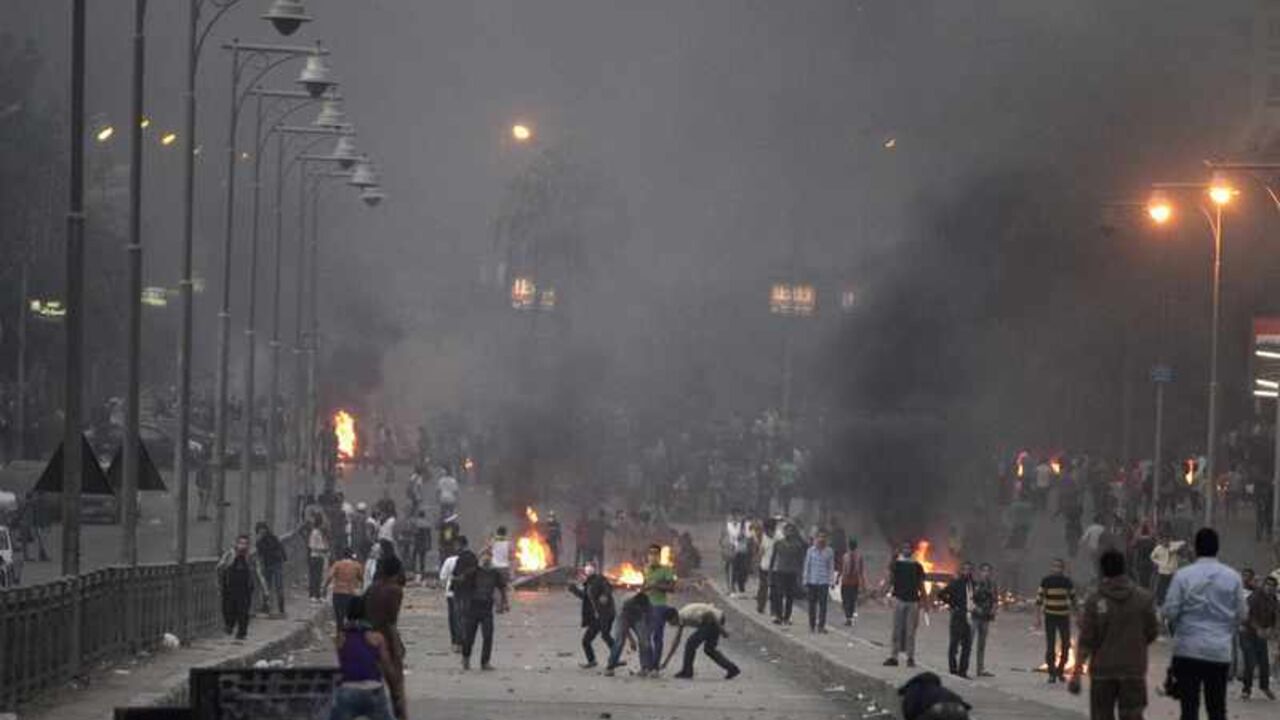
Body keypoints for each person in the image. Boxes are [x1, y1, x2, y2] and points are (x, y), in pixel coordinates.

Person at [1162, 527, 1248, 720]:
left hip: (1188, 650)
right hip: (1219, 651)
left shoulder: (1183, 575)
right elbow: (1242, 614)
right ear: (1217, 549)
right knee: (1217, 707)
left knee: (1189, 707)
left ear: (1195, 548)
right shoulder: (1232, 576)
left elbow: (1170, 611)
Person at [1068, 550, 1159, 720]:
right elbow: (1152, 632)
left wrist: (1076, 673)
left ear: (1102, 571)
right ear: (1125, 568)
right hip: (1134, 670)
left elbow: (1087, 640)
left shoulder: (1094, 601)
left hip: (1103, 671)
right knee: (1133, 715)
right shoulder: (1143, 599)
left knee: (1101, 715)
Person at [328, 595, 397, 720]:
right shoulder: (376, 638)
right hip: (373, 690)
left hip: (348, 690)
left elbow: (341, 664)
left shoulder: (340, 638)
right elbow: (387, 667)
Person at [366, 556, 407, 719]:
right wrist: (398, 647)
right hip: (385, 639)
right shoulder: (395, 591)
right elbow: (391, 621)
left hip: (368, 638)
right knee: (396, 686)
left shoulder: (372, 588)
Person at [660, 602, 740, 680]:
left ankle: (687, 671)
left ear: (674, 617)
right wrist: (666, 662)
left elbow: (710, 614)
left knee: (690, 643)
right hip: (714, 619)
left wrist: (722, 630)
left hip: (714, 619)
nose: (670, 625)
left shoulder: (687, 614)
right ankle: (732, 668)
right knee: (709, 649)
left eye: (669, 622)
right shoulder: (681, 619)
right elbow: (676, 642)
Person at [460, 549, 509, 671]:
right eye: (484, 557)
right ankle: (466, 658)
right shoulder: (472, 572)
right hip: (472, 608)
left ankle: (485, 662)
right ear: (480, 559)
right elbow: (462, 587)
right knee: (469, 636)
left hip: (487, 609)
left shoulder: (494, 574)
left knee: (488, 636)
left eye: (489, 557)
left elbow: (502, 588)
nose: (486, 559)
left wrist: (504, 603)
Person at [884, 542, 927, 668]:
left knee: (910, 632)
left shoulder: (917, 566)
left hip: (913, 601)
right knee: (897, 630)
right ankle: (894, 657)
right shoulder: (897, 564)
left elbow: (921, 585)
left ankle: (910, 657)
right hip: (899, 600)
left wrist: (925, 601)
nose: (907, 550)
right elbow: (890, 577)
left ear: (912, 551)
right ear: (902, 550)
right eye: (905, 548)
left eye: (909, 548)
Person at [1036, 558, 1077, 683]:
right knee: (1050, 645)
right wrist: (1038, 618)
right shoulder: (1046, 581)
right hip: (1050, 616)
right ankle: (1052, 672)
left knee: (1066, 644)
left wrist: (1078, 616)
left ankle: (1060, 670)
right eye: (1054, 566)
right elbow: (1039, 600)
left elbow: (1074, 599)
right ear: (1051, 568)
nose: (1056, 569)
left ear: (1062, 569)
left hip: (1064, 616)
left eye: (1058, 566)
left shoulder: (1067, 582)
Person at [568, 562, 616, 668]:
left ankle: (615, 657)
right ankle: (592, 660)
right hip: (596, 617)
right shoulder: (588, 585)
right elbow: (585, 598)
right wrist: (574, 590)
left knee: (605, 635)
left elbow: (608, 588)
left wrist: (605, 595)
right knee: (586, 640)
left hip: (606, 614)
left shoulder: (600, 579)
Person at [1239, 574, 1277, 700]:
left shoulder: (1273, 599)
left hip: (1261, 635)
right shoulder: (1254, 597)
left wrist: (1271, 628)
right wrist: (1259, 628)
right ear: (1263, 585)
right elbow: (1248, 616)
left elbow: (1274, 616)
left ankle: (1264, 686)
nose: (1269, 588)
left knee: (1264, 663)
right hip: (1247, 633)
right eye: (1267, 584)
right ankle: (1246, 689)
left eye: (1272, 586)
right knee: (1250, 662)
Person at [642, 543, 677, 675]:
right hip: (646, 606)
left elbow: (672, 588)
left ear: (659, 555)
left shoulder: (666, 570)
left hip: (659, 606)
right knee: (645, 637)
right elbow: (644, 586)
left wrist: (657, 586)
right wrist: (644, 589)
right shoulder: (646, 569)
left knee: (657, 637)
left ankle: (655, 667)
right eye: (650, 553)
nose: (652, 556)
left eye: (655, 553)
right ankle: (648, 665)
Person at [937, 562, 975, 678]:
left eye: (969, 570)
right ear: (961, 571)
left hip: (969, 616)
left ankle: (963, 670)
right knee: (954, 643)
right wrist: (952, 604)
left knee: (967, 645)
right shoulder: (956, 583)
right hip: (958, 616)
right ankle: (953, 669)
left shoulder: (973, 584)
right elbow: (941, 594)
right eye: (965, 569)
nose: (967, 572)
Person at [605, 590, 653, 676]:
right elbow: (624, 626)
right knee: (619, 642)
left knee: (644, 642)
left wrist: (647, 632)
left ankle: (644, 668)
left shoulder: (647, 603)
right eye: (639, 607)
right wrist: (631, 640)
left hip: (638, 618)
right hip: (623, 617)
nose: (641, 608)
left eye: (642, 608)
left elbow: (649, 618)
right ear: (635, 604)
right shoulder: (627, 603)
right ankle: (610, 666)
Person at [218, 535, 255, 640]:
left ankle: (241, 633)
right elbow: (220, 567)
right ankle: (229, 626)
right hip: (230, 588)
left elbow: (257, 571)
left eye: (245, 543)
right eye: (240, 543)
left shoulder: (250, 557)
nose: (242, 546)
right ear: (236, 544)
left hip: (245, 589)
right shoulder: (230, 554)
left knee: (243, 612)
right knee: (228, 609)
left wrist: (264, 589)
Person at [769, 523, 806, 625]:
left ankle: (787, 617)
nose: (788, 533)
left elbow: (801, 561)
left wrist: (801, 575)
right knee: (779, 595)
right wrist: (771, 572)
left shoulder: (798, 545)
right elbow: (773, 559)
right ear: (784, 532)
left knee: (790, 596)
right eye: (787, 530)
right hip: (780, 572)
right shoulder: (778, 544)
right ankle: (779, 616)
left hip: (792, 573)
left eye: (791, 531)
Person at [898, 671, 972, 720]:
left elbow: (909, 713)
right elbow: (966, 705)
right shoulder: (941, 690)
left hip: (936, 712)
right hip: (959, 710)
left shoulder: (913, 689)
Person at [802, 529, 836, 633]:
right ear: (816, 538)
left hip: (823, 582)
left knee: (823, 606)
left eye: (824, 537)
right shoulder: (810, 551)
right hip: (812, 581)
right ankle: (812, 625)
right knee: (812, 605)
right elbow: (807, 566)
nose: (821, 539)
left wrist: (831, 581)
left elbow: (831, 567)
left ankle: (821, 626)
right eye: (819, 537)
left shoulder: (829, 551)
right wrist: (805, 579)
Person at [970, 562, 998, 678]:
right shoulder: (974, 583)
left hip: (986, 616)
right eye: (983, 570)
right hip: (975, 616)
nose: (985, 573)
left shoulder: (992, 584)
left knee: (982, 644)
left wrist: (994, 609)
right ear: (979, 572)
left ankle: (980, 669)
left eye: (987, 571)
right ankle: (963, 666)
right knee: (969, 642)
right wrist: (976, 608)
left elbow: (995, 599)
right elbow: (970, 598)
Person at [324, 549, 364, 626]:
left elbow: (330, 576)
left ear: (343, 556)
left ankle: (339, 634)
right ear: (352, 556)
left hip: (338, 593)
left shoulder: (337, 564)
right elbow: (361, 578)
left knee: (339, 617)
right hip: (350, 593)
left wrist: (325, 587)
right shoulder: (357, 565)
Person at [254, 522, 287, 616]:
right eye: (260, 530)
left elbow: (280, 547)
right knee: (266, 587)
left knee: (278, 585)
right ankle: (266, 607)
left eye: (263, 529)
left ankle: (281, 608)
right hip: (267, 565)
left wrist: (284, 558)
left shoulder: (272, 538)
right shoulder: (259, 542)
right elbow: (260, 554)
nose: (262, 531)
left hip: (276, 563)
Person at [438, 537, 464, 653]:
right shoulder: (469, 560)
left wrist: (446, 585)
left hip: (451, 593)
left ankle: (455, 642)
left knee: (453, 618)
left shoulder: (449, 561)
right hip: (465, 594)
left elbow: (442, 577)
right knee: (463, 618)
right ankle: (461, 642)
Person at [1150, 534, 1184, 606]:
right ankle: (1160, 603)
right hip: (1163, 572)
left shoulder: (1173, 545)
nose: (1165, 542)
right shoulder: (1158, 548)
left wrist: (1173, 548)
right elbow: (1152, 557)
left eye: (1167, 540)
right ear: (1162, 540)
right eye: (1164, 540)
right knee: (1161, 589)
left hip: (1172, 572)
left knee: (1174, 588)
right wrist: (1158, 563)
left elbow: (1183, 543)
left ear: (1169, 540)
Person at [840, 538, 866, 626]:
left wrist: (863, 583)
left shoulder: (849, 556)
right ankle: (849, 617)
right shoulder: (847, 556)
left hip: (851, 581)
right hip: (849, 581)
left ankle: (849, 617)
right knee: (848, 600)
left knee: (849, 600)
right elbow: (843, 569)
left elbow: (860, 570)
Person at [756, 518, 777, 615]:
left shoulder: (779, 537)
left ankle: (773, 609)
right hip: (764, 566)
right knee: (763, 587)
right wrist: (758, 562)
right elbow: (761, 552)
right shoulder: (763, 537)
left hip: (775, 568)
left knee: (774, 589)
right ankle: (760, 606)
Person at [308, 516, 330, 603]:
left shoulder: (320, 533)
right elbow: (312, 546)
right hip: (315, 556)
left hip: (320, 556)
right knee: (314, 576)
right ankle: (312, 595)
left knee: (319, 576)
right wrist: (323, 549)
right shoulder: (314, 533)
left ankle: (317, 595)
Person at [408, 509, 432, 583]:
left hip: (416, 542)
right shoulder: (427, 523)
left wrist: (411, 541)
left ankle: (413, 572)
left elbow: (412, 533)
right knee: (422, 559)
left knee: (414, 558)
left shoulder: (416, 522)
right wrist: (429, 544)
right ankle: (422, 573)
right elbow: (429, 536)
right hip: (423, 543)